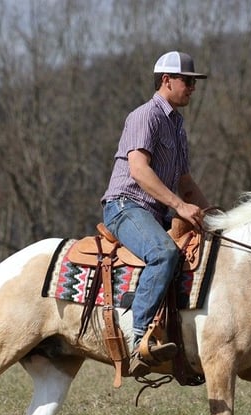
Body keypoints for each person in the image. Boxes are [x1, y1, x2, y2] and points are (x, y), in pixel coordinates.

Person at [101, 51, 211, 377]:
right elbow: (138, 170)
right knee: (164, 253)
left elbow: (185, 182)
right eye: (187, 81)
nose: (192, 88)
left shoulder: (176, 124)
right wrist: (179, 206)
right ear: (167, 81)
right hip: (126, 206)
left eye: (194, 83)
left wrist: (215, 220)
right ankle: (138, 343)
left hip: (156, 213)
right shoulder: (144, 116)